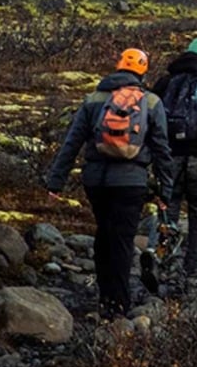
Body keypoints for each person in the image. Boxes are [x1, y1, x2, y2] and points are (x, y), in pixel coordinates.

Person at [45, 48, 172, 319]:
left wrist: (55, 182)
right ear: (143, 71)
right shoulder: (151, 102)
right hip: (131, 182)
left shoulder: (94, 98)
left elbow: (72, 142)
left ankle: (105, 298)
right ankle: (119, 305)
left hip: (95, 181)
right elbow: (162, 150)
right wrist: (166, 190)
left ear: (118, 66)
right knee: (123, 241)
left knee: (104, 235)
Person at [145, 37, 197, 287]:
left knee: (167, 209)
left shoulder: (165, 83)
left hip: (168, 157)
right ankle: (192, 271)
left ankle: (158, 262)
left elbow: (150, 120)